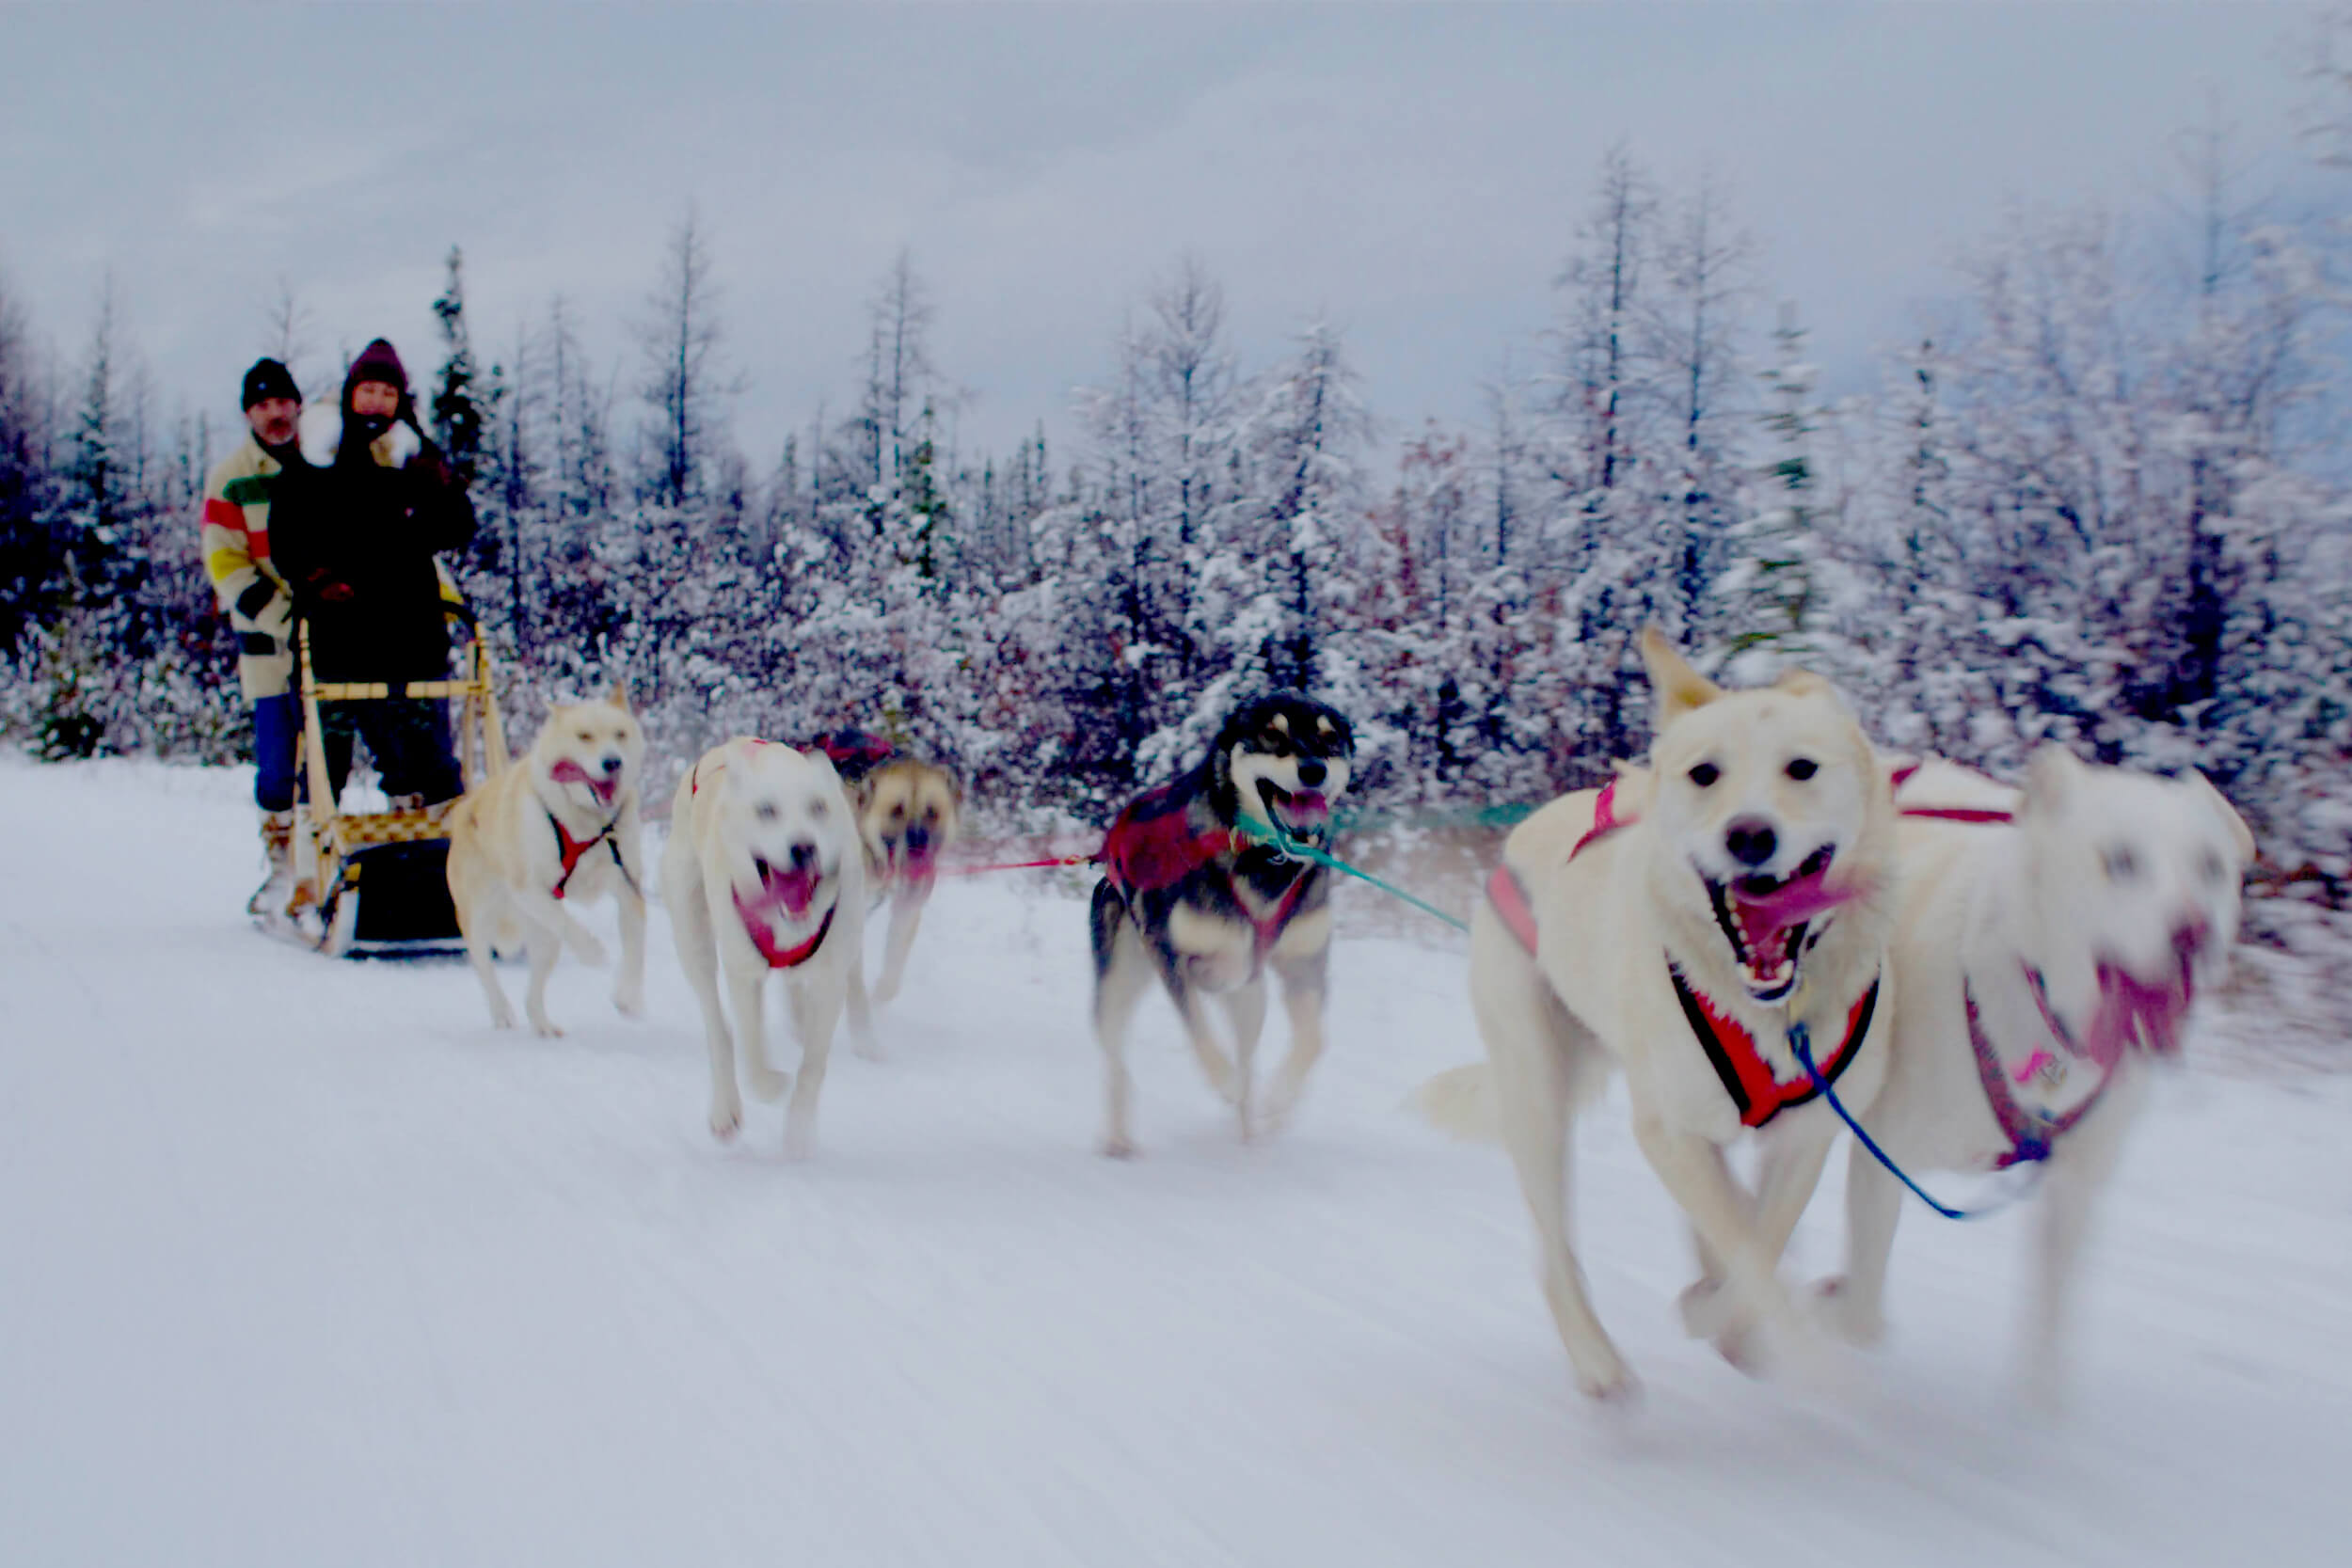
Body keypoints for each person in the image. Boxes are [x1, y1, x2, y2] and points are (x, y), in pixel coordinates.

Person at [269, 338, 476, 808]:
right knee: (327, 750)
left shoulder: (415, 453)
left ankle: (436, 850)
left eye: (388, 392)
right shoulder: (318, 454)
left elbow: (459, 524)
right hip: (337, 625)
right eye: (369, 390)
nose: (378, 402)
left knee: (424, 751)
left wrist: (432, 500)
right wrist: (316, 578)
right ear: (351, 393)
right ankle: (310, 850)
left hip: (409, 626)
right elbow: (284, 533)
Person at [199, 356, 307, 918]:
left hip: (335, 638)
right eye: (263, 405)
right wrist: (282, 616)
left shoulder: (322, 461)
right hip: (270, 643)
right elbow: (224, 559)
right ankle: (282, 864)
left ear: (298, 405)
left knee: (329, 757)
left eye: (283, 402)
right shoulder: (232, 474)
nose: (276, 414)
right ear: (249, 413)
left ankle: (326, 860)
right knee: (276, 758)